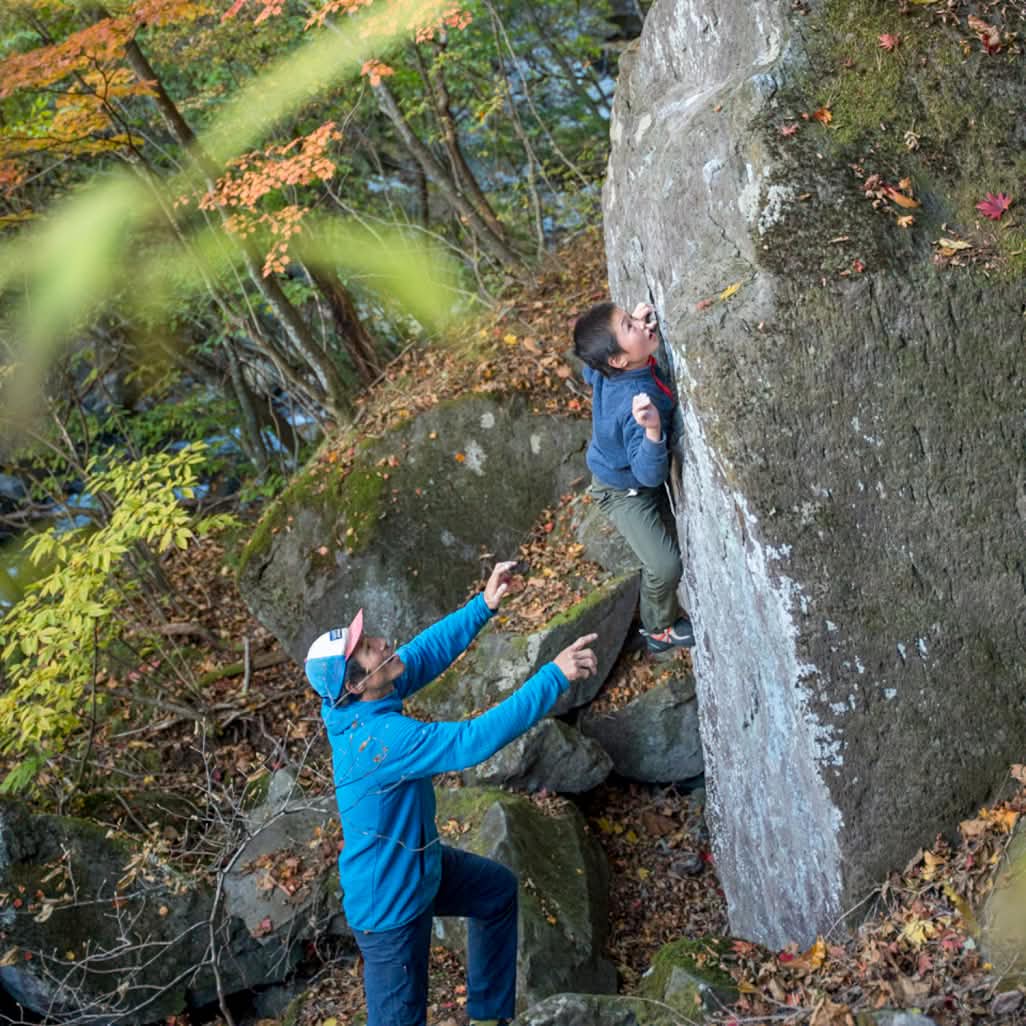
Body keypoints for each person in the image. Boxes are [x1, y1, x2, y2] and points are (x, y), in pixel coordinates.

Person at [304, 561, 599, 1026]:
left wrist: (483, 606)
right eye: (366, 649)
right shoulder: (378, 742)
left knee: (497, 894)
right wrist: (553, 676)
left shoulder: (360, 699)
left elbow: (423, 652)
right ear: (357, 684)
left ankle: (487, 1018)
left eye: (368, 638)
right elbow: (470, 742)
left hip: (422, 869)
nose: (381, 642)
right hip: (390, 911)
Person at [572, 300, 695, 654]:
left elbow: (590, 372)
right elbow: (649, 475)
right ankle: (658, 628)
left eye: (632, 319)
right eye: (630, 326)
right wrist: (653, 429)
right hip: (622, 490)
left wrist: (633, 327)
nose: (643, 326)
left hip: (622, 471)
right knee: (665, 565)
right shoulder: (634, 403)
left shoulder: (611, 370)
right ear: (619, 360)